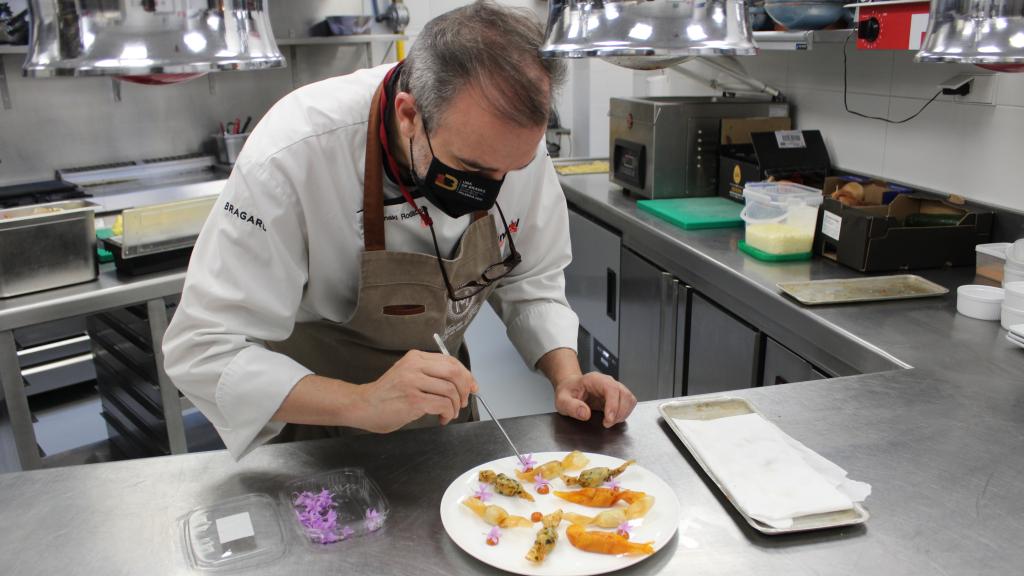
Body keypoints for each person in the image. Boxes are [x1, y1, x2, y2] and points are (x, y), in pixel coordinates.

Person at [162, 0, 637, 459]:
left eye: (511, 171)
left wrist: (566, 375)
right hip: (317, 432)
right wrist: (360, 403)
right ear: (409, 115)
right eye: (470, 169)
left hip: (443, 426)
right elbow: (202, 348)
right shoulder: (296, 153)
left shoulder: (506, 149)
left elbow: (532, 282)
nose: (490, 191)